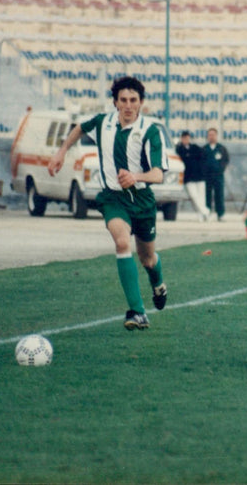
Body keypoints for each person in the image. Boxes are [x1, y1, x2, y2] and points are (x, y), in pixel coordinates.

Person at [47, 76, 167, 330]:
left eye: (133, 100)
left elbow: (158, 174)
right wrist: (61, 152)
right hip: (114, 198)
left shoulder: (150, 131)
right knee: (122, 242)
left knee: (148, 259)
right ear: (115, 102)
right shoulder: (104, 122)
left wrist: (135, 176)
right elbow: (80, 128)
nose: (128, 105)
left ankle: (158, 284)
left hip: (143, 200)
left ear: (141, 103)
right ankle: (137, 312)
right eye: (123, 100)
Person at [175, 130, 210, 221]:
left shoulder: (195, 148)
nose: (186, 140)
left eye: (187, 138)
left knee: (201, 197)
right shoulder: (179, 149)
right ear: (182, 138)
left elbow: (203, 158)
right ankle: (205, 211)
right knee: (194, 196)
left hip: (199, 176)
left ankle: (201, 215)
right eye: (184, 138)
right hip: (188, 177)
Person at [202, 127, 229, 221]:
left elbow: (226, 160)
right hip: (207, 176)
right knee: (207, 195)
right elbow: (201, 161)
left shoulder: (221, 148)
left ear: (216, 136)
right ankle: (207, 212)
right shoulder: (204, 149)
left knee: (219, 195)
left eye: (213, 135)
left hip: (218, 176)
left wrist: (221, 169)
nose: (211, 137)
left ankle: (220, 214)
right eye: (209, 135)